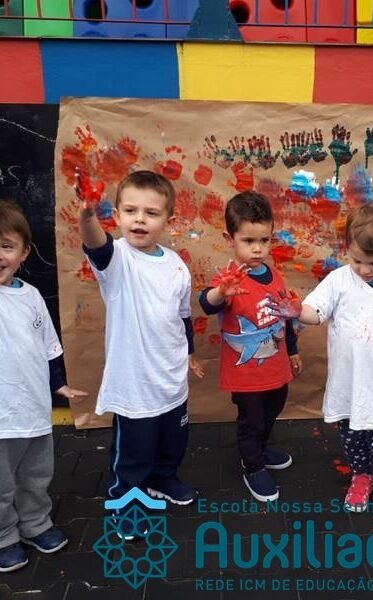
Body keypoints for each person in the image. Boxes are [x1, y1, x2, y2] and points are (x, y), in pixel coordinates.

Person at [270, 204, 373, 526]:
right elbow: (316, 312)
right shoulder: (339, 280)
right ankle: (361, 476)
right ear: (347, 250)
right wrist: (297, 311)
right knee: (352, 437)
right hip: (347, 385)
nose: (364, 270)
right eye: (357, 261)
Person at [77, 170, 203, 525]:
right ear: (117, 215)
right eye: (130, 211)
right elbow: (96, 244)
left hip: (171, 380)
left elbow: (182, 316)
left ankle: (163, 479)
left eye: (151, 213)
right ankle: (126, 504)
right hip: (134, 385)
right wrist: (87, 215)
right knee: (134, 455)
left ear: (168, 220)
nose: (140, 220)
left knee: (172, 442)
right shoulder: (116, 258)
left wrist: (189, 354)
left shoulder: (176, 265)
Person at [198, 191, 301, 503]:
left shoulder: (275, 274)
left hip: (276, 366)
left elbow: (284, 315)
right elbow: (206, 303)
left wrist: (292, 350)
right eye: (248, 241)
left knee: (273, 410)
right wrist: (221, 292)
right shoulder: (229, 281)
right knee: (252, 421)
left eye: (264, 240)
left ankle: (260, 449)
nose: (257, 249)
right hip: (246, 375)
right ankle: (252, 466)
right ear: (230, 239)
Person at [0, 201, 86, 572]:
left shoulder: (32, 296)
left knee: (36, 475)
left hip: (34, 412)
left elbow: (49, 347)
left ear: (23, 252)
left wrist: (59, 385)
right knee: (1, 485)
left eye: (6, 246)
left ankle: (35, 523)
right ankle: (4, 535)